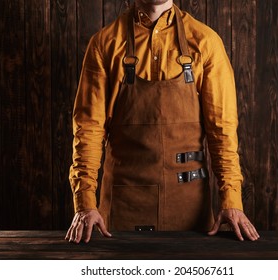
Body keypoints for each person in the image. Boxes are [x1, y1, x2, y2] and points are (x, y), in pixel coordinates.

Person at [65, 0, 260, 243]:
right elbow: (88, 130)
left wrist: (232, 201)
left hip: (189, 209)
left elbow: (222, 132)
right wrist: (85, 204)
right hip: (121, 210)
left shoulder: (205, 42)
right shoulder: (105, 44)